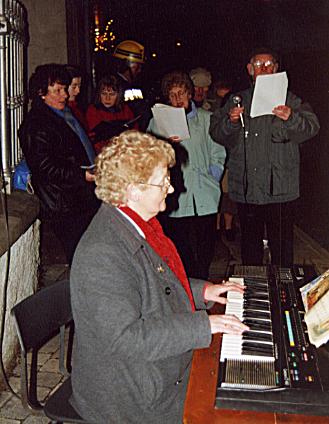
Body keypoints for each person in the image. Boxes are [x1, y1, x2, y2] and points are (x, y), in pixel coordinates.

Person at [69, 130, 248, 423]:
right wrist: (205, 324)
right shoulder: (102, 252)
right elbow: (127, 339)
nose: (171, 187)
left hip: (148, 373)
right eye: (162, 181)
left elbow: (152, 284)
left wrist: (203, 291)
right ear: (133, 189)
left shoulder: (134, 224)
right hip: (130, 394)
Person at [209, 47, 320, 266]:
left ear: (277, 68)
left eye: (269, 64)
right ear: (250, 70)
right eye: (259, 65)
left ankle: (282, 295)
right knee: (250, 251)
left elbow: (312, 128)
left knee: (281, 252)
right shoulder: (236, 100)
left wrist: (291, 118)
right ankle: (254, 294)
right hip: (248, 191)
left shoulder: (291, 100)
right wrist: (230, 122)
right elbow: (216, 133)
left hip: (281, 191)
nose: (265, 69)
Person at [148, 71, 226, 280]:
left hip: (204, 191)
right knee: (180, 245)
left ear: (189, 94)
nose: (177, 99)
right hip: (176, 194)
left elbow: (218, 151)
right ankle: (188, 284)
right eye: (172, 95)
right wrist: (165, 146)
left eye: (181, 93)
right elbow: (148, 155)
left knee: (206, 244)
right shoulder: (158, 123)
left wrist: (214, 174)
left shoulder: (207, 119)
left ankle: (202, 282)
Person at [19, 64, 100, 264]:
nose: (65, 95)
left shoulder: (62, 114)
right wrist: (83, 175)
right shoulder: (36, 124)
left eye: (64, 89)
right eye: (58, 90)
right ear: (41, 94)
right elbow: (45, 167)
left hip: (78, 196)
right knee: (79, 255)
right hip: (62, 202)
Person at [86, 75, 137, 153]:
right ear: (99, 95)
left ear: (118, 95)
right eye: (104, 93)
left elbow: (135, 133)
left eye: (112, 94)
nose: (107, 98)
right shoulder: (93, 110)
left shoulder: (125, 109)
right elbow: (94, 140)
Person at [112, 39, 150, 130]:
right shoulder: (113, 87)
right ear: (125, 65)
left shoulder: (135, 86)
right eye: (137, 66)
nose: (139, 70)